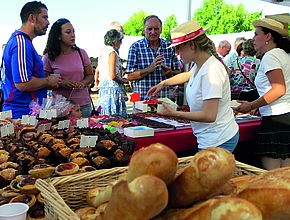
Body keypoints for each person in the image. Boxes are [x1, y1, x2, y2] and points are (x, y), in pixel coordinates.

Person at [147, 20, 239, 152]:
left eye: (178, 48)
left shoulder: (211, 70)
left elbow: (209, 115)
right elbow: (188, 75)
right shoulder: (200, 65)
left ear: (191, 45)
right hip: (211, 138)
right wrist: (164, 83)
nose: (177, 53)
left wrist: (175, 113)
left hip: (219, 139)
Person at [233, 17, 290, 170]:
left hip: (276, 121)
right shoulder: (283, 54)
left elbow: (279, 89)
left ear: (268, 36)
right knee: (284, 179)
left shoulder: (271, 56)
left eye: (256, 34)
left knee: (273, 180)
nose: (253, 39)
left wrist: (251, 105)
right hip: (284, 118)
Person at [1, 1, 61, 119]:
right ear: (32, 18)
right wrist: (48, 81)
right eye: (44, 17)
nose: (48, 22)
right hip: (20, 114)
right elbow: (22, 83)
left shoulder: (23, 42)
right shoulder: (21, 44)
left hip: (25, 113)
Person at [43, 18, 94, 118]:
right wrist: (62, 83)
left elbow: (90, 75)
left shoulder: (81, 53)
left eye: (73, 31)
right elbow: (45, 82)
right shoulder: (49, 57)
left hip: (83, 105)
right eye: (68, 32)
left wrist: (82, 83)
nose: (73, 35)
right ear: (58, 36)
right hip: (61, 107)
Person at [125, 15, 180, 100]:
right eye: (149, 29)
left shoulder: (169, 47)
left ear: (161, 30)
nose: (153, 32)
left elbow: (178, 73)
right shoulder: (135, 47)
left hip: (165, 100)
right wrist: (150, 68)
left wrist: (170, 72)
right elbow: (129, 76)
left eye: (156, 29)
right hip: (142, 100)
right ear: (144, 30)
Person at [97, 29, 128, 117]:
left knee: (105, 115)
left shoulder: (103, 51)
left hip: (104, 87)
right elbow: (113, 75)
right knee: (115, 117)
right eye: (120, 40)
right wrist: (123, 80)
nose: (121, 43)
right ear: (115, 40)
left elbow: (98, 70)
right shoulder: (112, 52)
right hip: (112, 87)